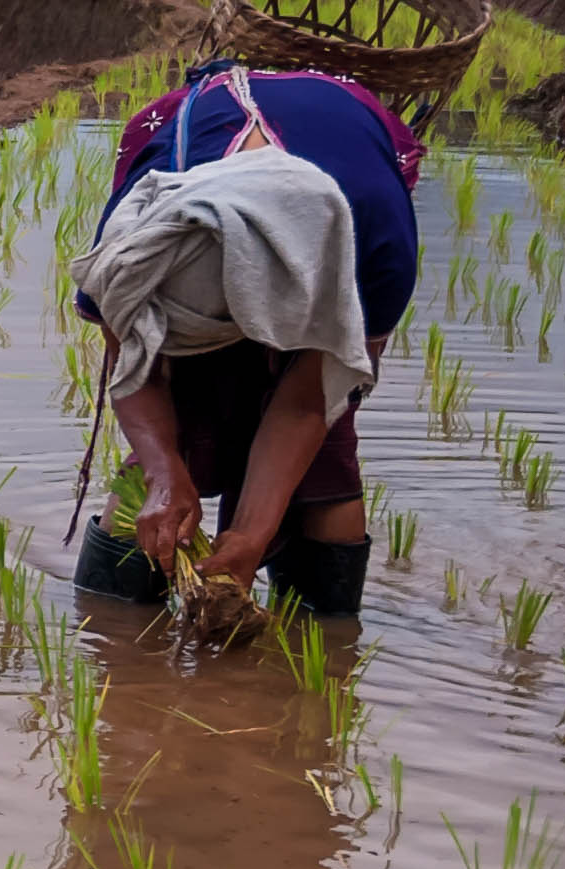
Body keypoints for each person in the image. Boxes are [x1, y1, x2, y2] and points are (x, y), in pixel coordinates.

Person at [68, 59, 424, 618]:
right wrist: (165, 474)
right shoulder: (135, 242)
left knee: (324, 456)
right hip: (201, 154)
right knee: (168, 448)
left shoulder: (374, 246)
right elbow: (135, 369)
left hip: (345, 164)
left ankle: (323, 638)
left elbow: (311, 397)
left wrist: (253, 532)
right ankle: (113, 627)